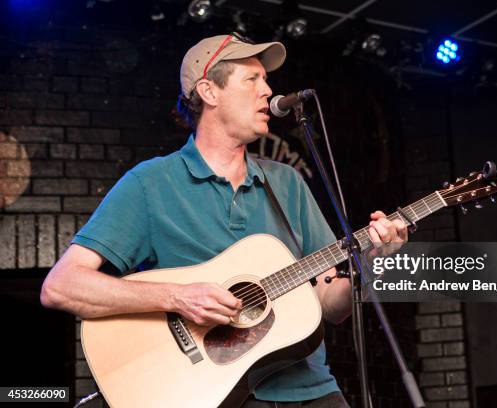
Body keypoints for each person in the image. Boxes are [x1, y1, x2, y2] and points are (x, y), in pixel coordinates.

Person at [40, 34, 408, 407]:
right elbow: (62, 286)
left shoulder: (286, 183)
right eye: (252, 79)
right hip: (212, 394)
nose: (268, 90)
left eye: (266, 79)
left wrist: (373, 261)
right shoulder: (150, 183)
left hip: (309, 389)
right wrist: (178, 297)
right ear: (209, 92)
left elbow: (331, 305)